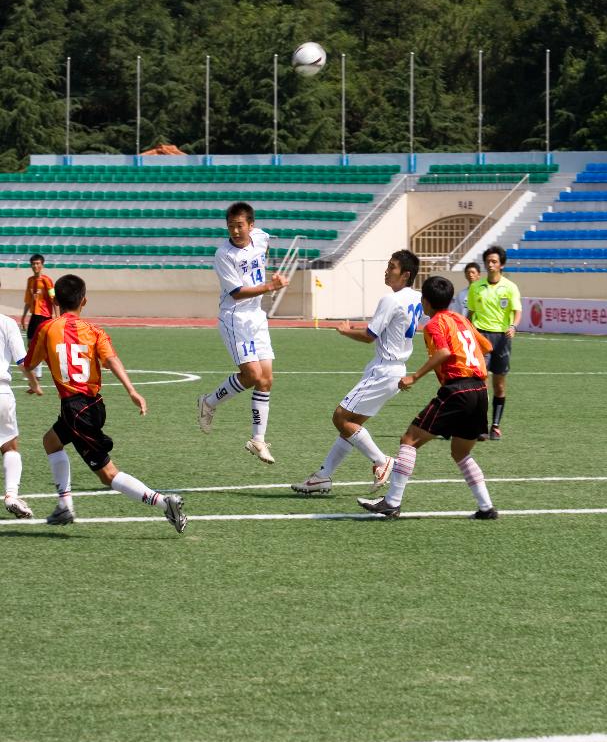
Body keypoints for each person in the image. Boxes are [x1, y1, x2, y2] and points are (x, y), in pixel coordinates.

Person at [25, 274, 187, 531]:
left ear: (56, 302)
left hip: (76, 410)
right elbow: (111, 360)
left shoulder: (46, 329)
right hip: (93, 405)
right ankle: (64, 505)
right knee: (51, 441)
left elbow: (29, 364)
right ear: (84, 301)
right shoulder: (95, 331)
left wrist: (34, 383)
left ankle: (163, 502)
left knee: (108, 474)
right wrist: (132, 391)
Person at [357, 274, 497, 520]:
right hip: (480, 390)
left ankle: (391, 502)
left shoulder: (435, 324)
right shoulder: (461, 319)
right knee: (460, 453)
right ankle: (486, 507)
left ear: (426, 302)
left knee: (409, 439)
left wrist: (415, 376)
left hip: (458, 389)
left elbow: (443, 351)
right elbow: (487, 347)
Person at [291, 250, 423, 496]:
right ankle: (322, 476)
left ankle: (383, 462)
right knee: (350, 427)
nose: (387, 270)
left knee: (340, 418)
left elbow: (368, 336)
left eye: (392, 267)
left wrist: (344, 331)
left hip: (384, 369)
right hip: (395, 369)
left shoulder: (390, 300)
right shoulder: (417, 298)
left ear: (405, 274)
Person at [197, 201, 287, 464]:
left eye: (240, 226)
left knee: (266, 379)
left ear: (251, 225)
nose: (235, 231)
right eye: (231, 226)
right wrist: (270, 285)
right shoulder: (224, 255)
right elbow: (236, 293)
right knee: (252, 375)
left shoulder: (259, 238)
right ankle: (209, 402)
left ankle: (257, 440)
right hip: (235, 317)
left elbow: (265, 244)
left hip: (257, 316)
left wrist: (264, 266)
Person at [465, 245, 522, 439]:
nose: (490, 265)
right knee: (481, 383)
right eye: (488, 261)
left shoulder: (510, 287)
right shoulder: (475, 287)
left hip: (502, 339)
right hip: (481, 337)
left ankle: (495, 425)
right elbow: (470, 313)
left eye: (494, 262)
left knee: (499, 384)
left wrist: (513, 326)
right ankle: (481, 426)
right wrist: (467, 329)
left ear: (502, 265)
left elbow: (517, 311)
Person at [0, 292, 41, 518]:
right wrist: (34, 383)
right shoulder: (7, 323)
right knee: (9, 446)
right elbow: (23, 361)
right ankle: (11, 495)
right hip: (2, 392)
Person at [20, 252, 57, 379]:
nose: (35, 266)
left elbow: (54, 299)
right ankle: (37, 370)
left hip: (44, 316)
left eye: (38, 263)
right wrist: (24, 317)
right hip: (34, 316)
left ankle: (39, 372)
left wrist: (57, 318)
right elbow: (28, 301)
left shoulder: (47, 281)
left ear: (42, 265)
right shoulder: (30, 281)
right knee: (30, 343)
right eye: (33, 264)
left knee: (43, 345)